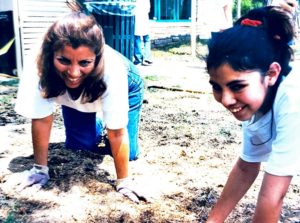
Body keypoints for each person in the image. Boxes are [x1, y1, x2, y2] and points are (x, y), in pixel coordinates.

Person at [14, 12, 147, 203]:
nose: (73, 72)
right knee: (79, 146)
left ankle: (105, 122)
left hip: (127, 83)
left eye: (84, 62)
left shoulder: (113, 69)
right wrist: (40, 170)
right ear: (51, 54)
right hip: (71, 93)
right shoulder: (38, 63)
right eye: (64, 60)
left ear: (97, 57)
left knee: (130, 153)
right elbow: (42, 118)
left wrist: (123, 181)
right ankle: (98, 123)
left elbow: (117, 133)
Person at [205, 6, 300, 222]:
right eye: (217, 87)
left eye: (237, 86)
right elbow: (246, 167)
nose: (226, 100)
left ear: (272, 73)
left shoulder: (293, 99)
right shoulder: (255, 100)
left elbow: (273, 195)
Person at [133, 0, 153, 66]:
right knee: (146, 39)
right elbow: (148, 9)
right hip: (144, 19)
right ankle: (147, 59)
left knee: (137, 39)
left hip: (137, 19)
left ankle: (138, 59)